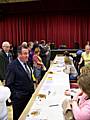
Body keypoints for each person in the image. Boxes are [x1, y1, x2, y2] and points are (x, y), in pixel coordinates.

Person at [5, 45, 34, 120]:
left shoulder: (27, 63)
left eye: (27, 53)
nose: (27, 55)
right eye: (25, 53)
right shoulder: (12, 66)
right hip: (19, 101)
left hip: (29, 97)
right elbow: (8, 84)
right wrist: (16, 97)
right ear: (19, 54)